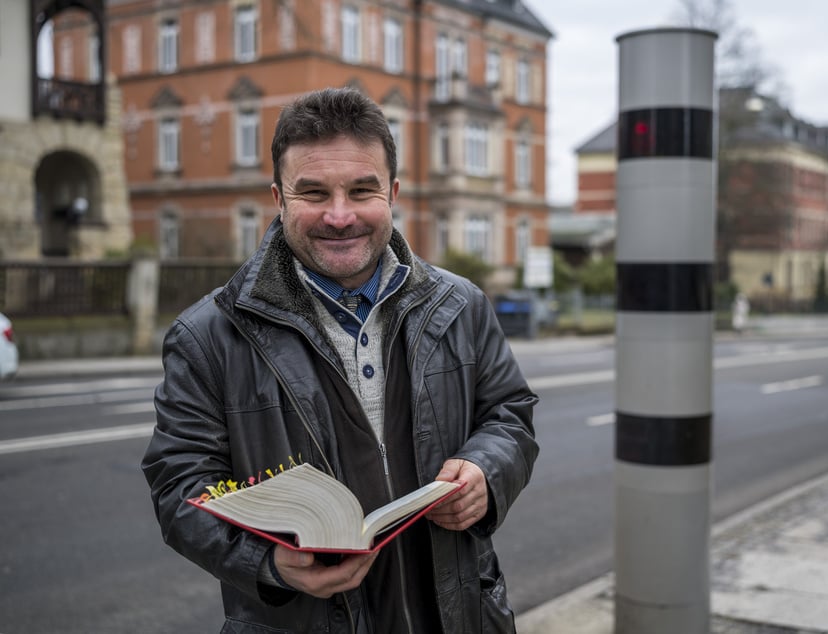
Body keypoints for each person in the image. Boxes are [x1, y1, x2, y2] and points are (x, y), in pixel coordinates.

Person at [142, 87, 539, 633]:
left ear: (392, 193)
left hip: (458, 614)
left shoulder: (461, 305)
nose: (339, 215)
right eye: (313, 192)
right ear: (279, 198)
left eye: (361, 190)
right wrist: (267, 563)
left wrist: (486, 472)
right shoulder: (207, 335)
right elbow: (179, 483)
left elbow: (509, 415)